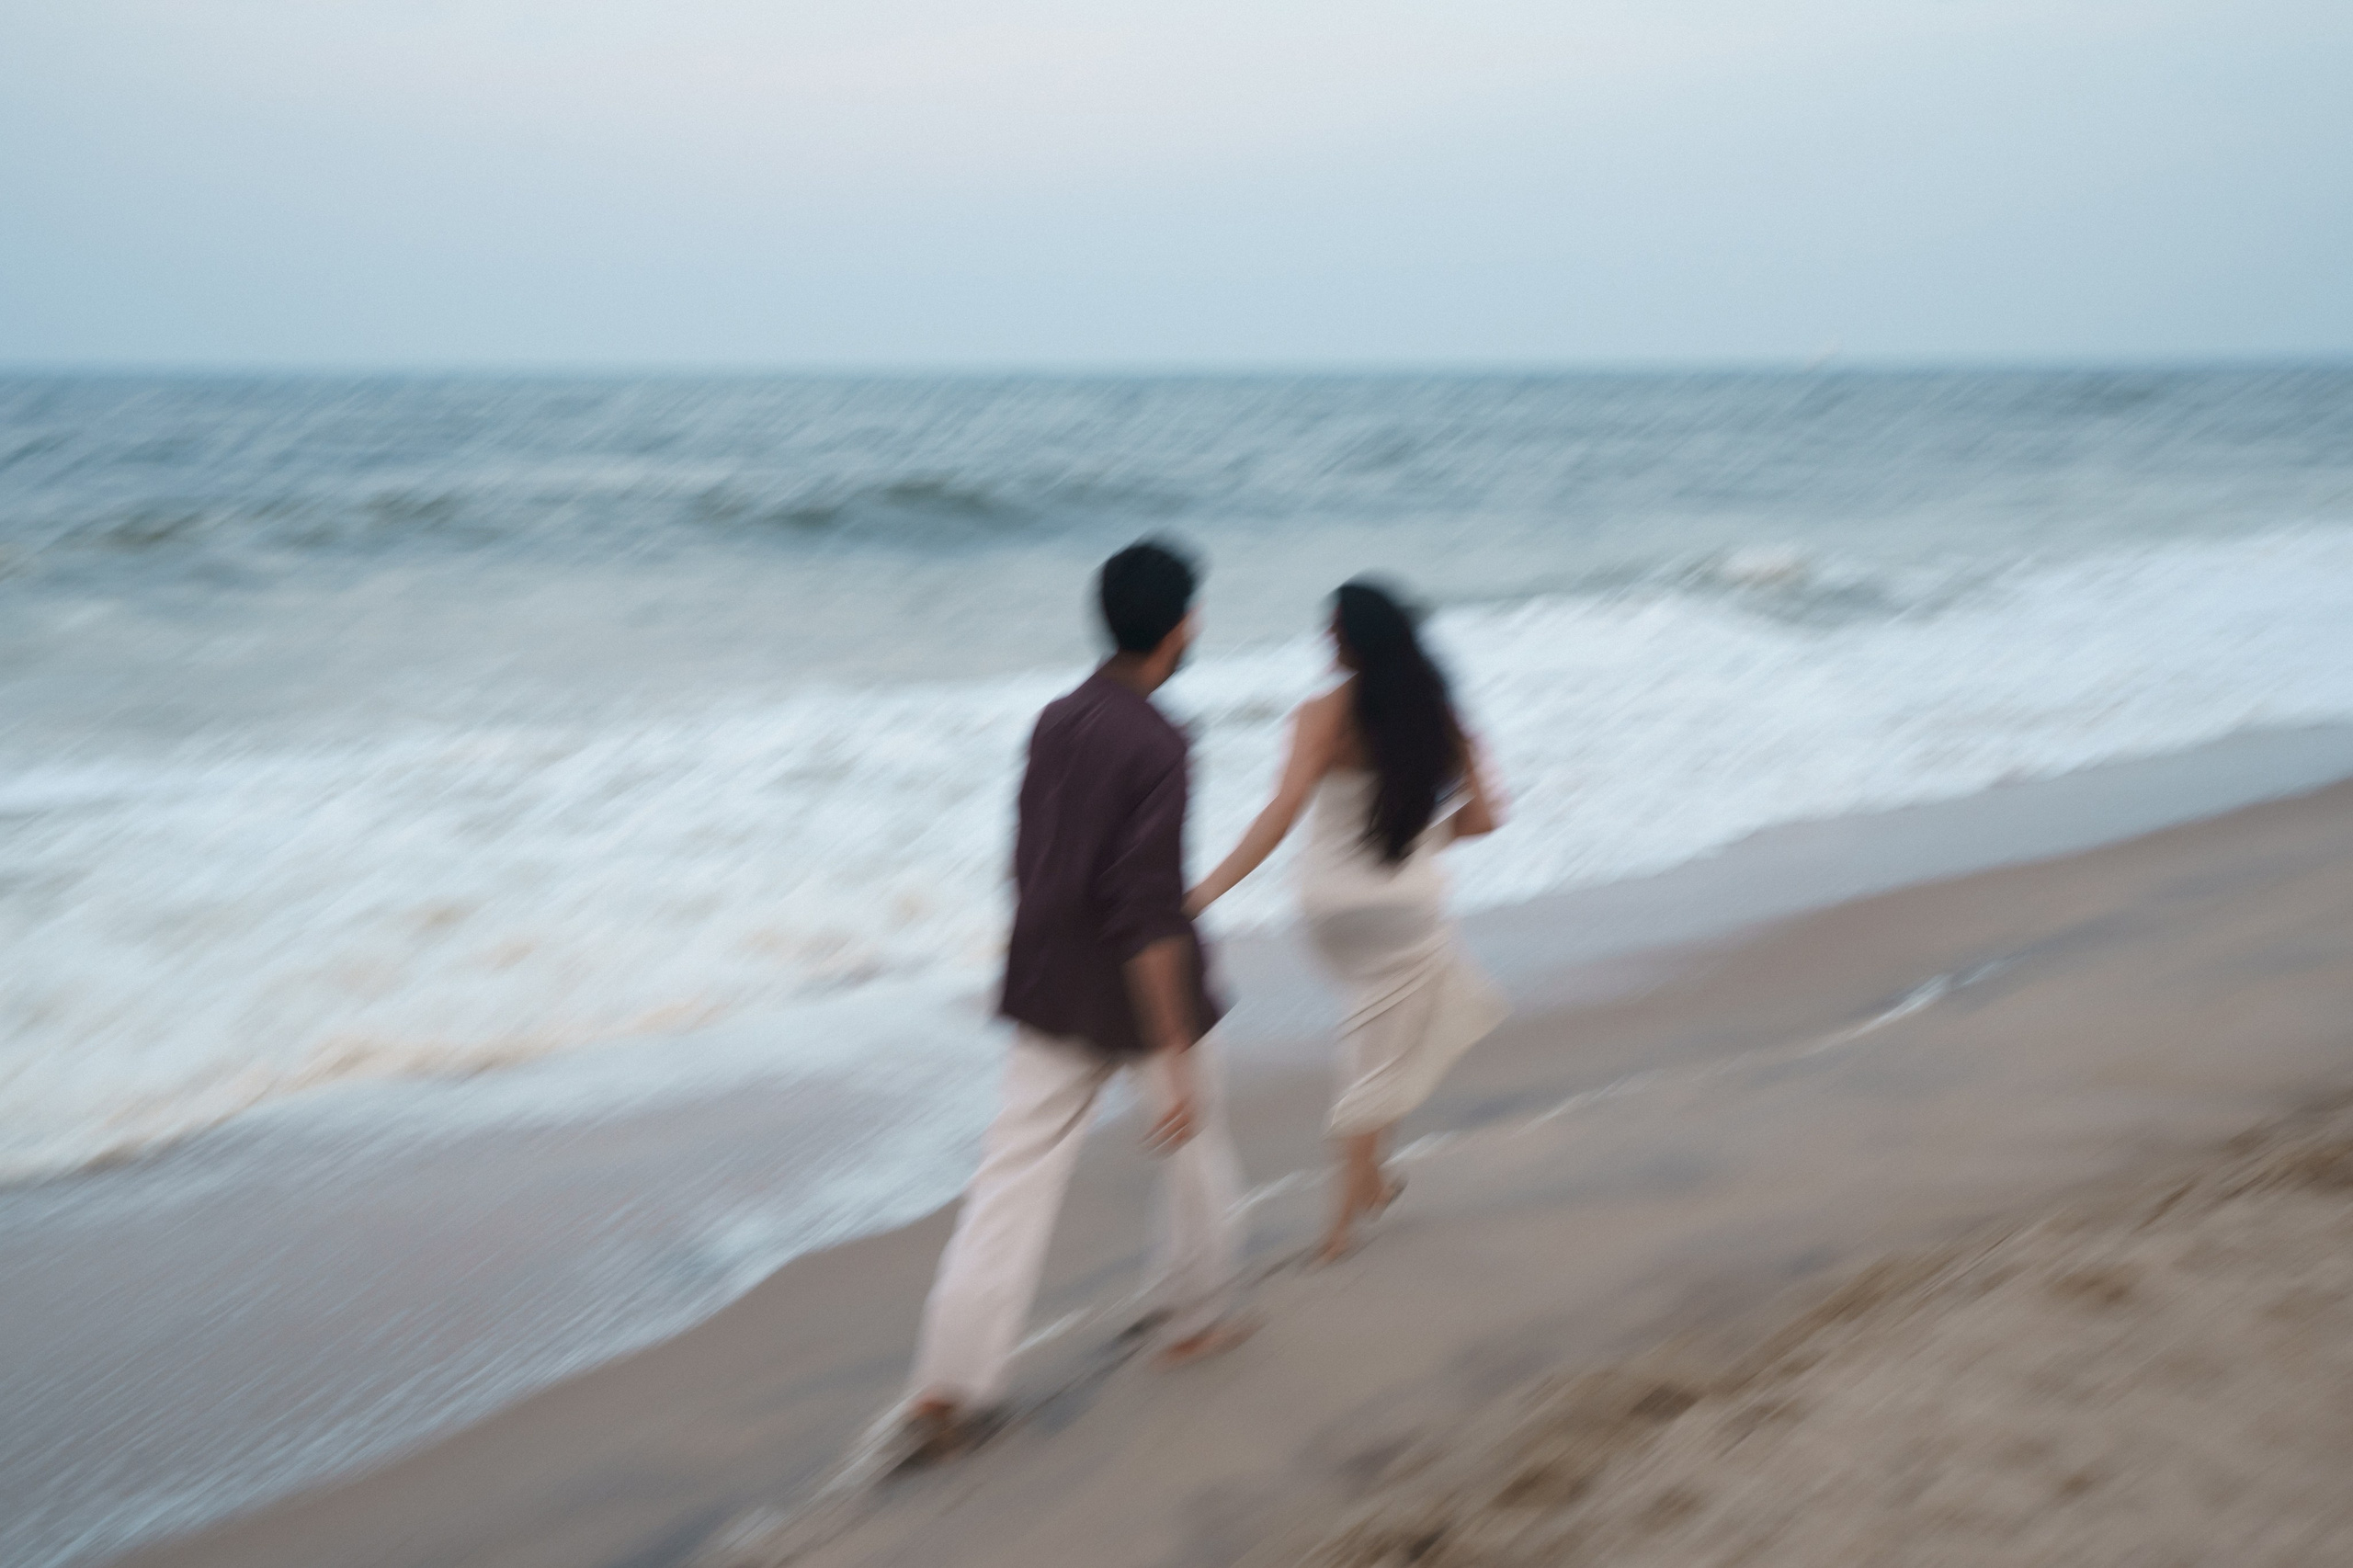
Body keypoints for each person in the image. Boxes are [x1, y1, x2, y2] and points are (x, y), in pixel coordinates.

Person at [902, 540, 1253, 1456]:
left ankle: (950, 1378)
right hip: (1137, 988)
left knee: (1009, 1179)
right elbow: (1142, 902)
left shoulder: (1056, 718)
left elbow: (1032, 855)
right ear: (1180, 627)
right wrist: (1172, 1046)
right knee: (1196, 1146)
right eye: (1197, 611)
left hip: (1050, 979)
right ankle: (1196, 1317)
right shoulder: (1163, 743)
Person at [1187, 578, 1506, 1264]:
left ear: (1356, 640)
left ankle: (1377, 1178)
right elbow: (1485, 817)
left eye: (1332, 629)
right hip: (1407, 906)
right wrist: (1425, 841)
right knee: (1378, 1052)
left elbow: (1280, 815)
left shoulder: (1318, 715)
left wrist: (1204, 891)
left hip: (1327, 908)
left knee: (1382, 1038)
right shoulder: (1440, 716)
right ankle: (1340, 1227)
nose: (1325, 639)